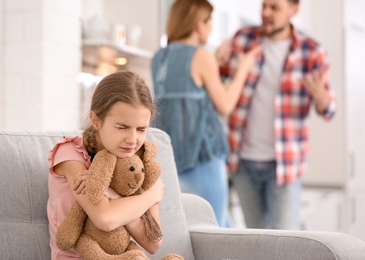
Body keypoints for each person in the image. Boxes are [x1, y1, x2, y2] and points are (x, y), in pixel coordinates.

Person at [219, 0, 337, 230]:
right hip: (243, 162)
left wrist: (320, 96)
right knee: (256, 242)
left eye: (275, 7)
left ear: (294, 10)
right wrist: (216, 60)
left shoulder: (312, 50)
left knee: (285, 245)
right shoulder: (242, 39)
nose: (266, 13)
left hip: (285, 164)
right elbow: (217, 83)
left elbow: (329, 109)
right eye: (264, 6)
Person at [151, 0, 260, 228]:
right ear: (198, 24)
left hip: (170, 159)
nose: (211, 26)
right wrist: (243, 69)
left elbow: (183, 96)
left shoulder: (158, 58)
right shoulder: (201, 56)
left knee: (189, 228)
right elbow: (225, 105)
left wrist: (214, 62)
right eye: (209, 21)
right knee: (216, 230)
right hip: (202, 159)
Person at [47, 71, 165, 259]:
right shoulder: (70, 155)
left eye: (141, 129)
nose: (133, 140)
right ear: (96, 121)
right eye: (122, 127)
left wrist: (114, 195)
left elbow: (154, 243)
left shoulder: (138, 164)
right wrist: (151, 196)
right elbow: (105, 219)